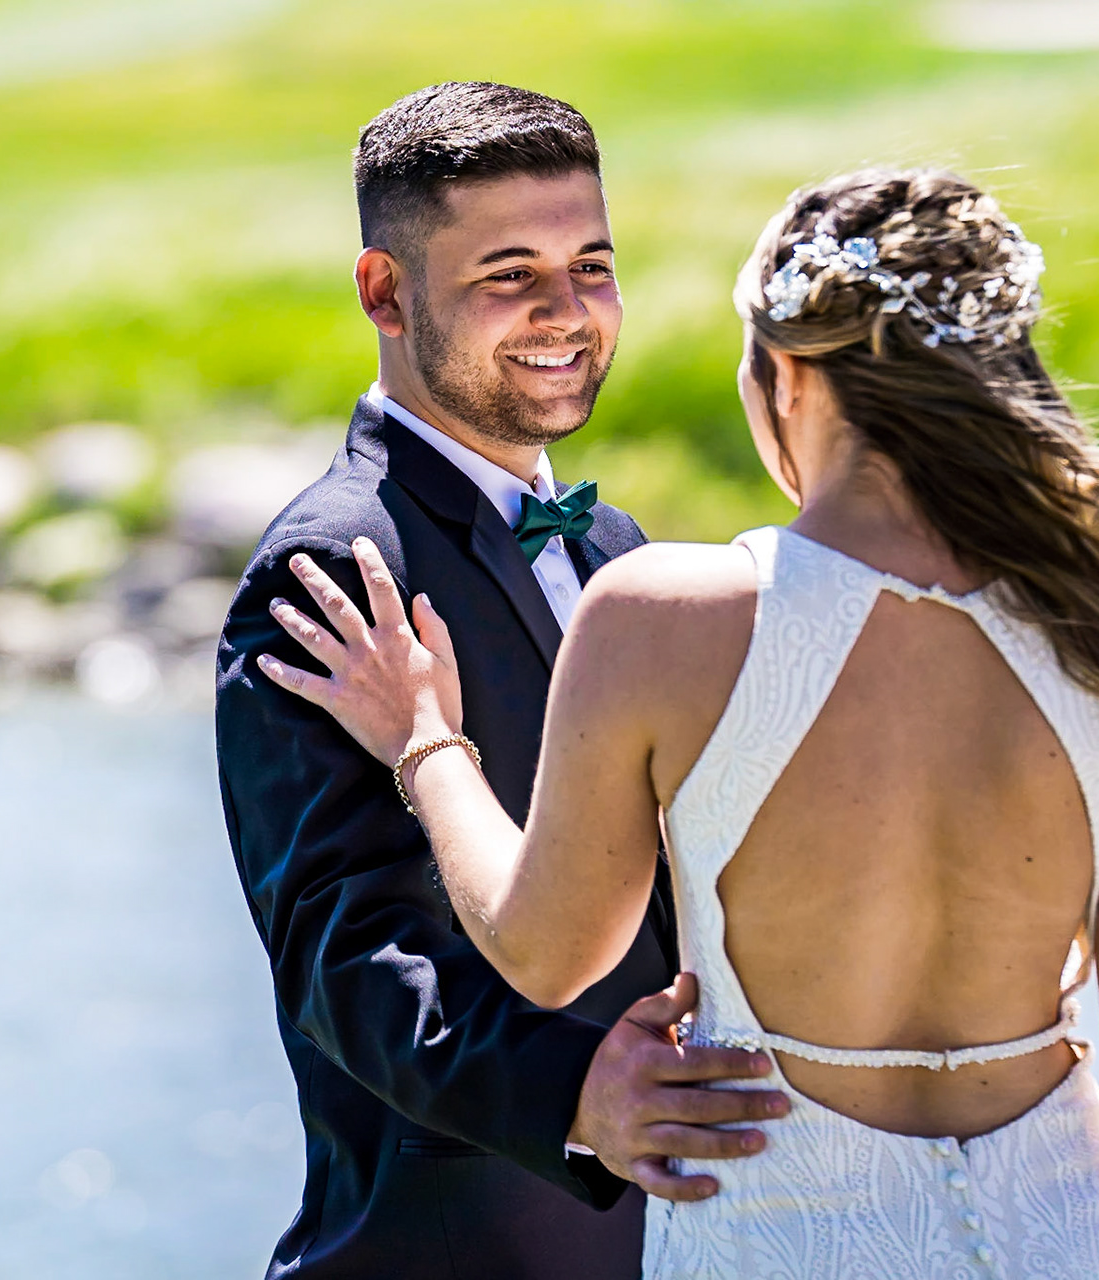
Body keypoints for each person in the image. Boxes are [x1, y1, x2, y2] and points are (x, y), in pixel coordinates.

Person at [259, 169, 1099, 1278]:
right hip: (1066, 1241)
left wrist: (428, 742)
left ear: (781, 374)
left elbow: (543, 955)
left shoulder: (661, 616)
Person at [213, 82, 785, 1280]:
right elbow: (344, 953)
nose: (565, 313)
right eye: (509, 274)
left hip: (683, 1234)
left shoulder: (609, 543)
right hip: (451, 1246)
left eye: (591, 265)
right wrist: (582, 1096)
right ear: (385, 291)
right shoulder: (331, 565)